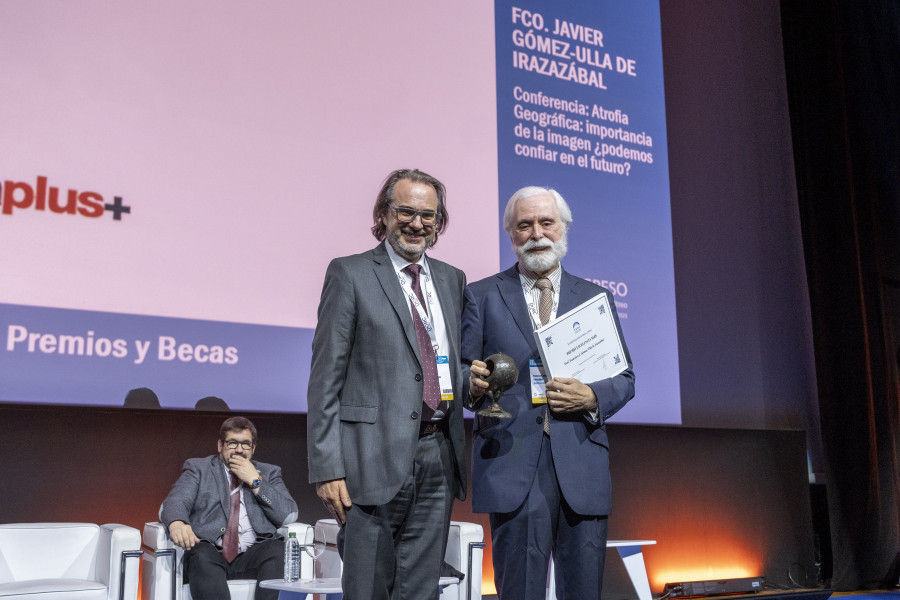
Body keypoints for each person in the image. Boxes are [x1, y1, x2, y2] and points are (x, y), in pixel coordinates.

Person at [462, 186, 635, 600]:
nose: (536, 233)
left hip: (580, 460)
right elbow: (465, 377)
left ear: (563, 228)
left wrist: (591, 397)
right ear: (511, 234)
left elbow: (625, 378)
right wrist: (472, 384)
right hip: (512, 462)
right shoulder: (482, 295)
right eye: (524, 225)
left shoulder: (594, 298)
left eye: (546, 222)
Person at [307, 168, 468, 600]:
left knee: (420, 591)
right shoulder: (350, 273)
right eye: (406, 212)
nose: (418, 223)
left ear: (439, 222)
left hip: (437, 454)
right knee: (367, 589)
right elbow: (325, 378)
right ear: (384, 213)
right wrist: (327, 467)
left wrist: (479, 380)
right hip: (369, 459)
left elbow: (447, 365)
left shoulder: (453, 279)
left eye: (428, 215)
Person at [159, 416, 299, 600]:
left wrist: (256, 481)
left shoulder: (269, 472)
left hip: (254, 552)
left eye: (245, 444)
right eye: (232, 443)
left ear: (253, 448)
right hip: (211, 551)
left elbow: (289, 515)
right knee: (199, 553)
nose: (239, 450)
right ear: (220, 445)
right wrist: (177, 522)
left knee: (278, 551)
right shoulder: (199, 469)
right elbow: (175, 501)